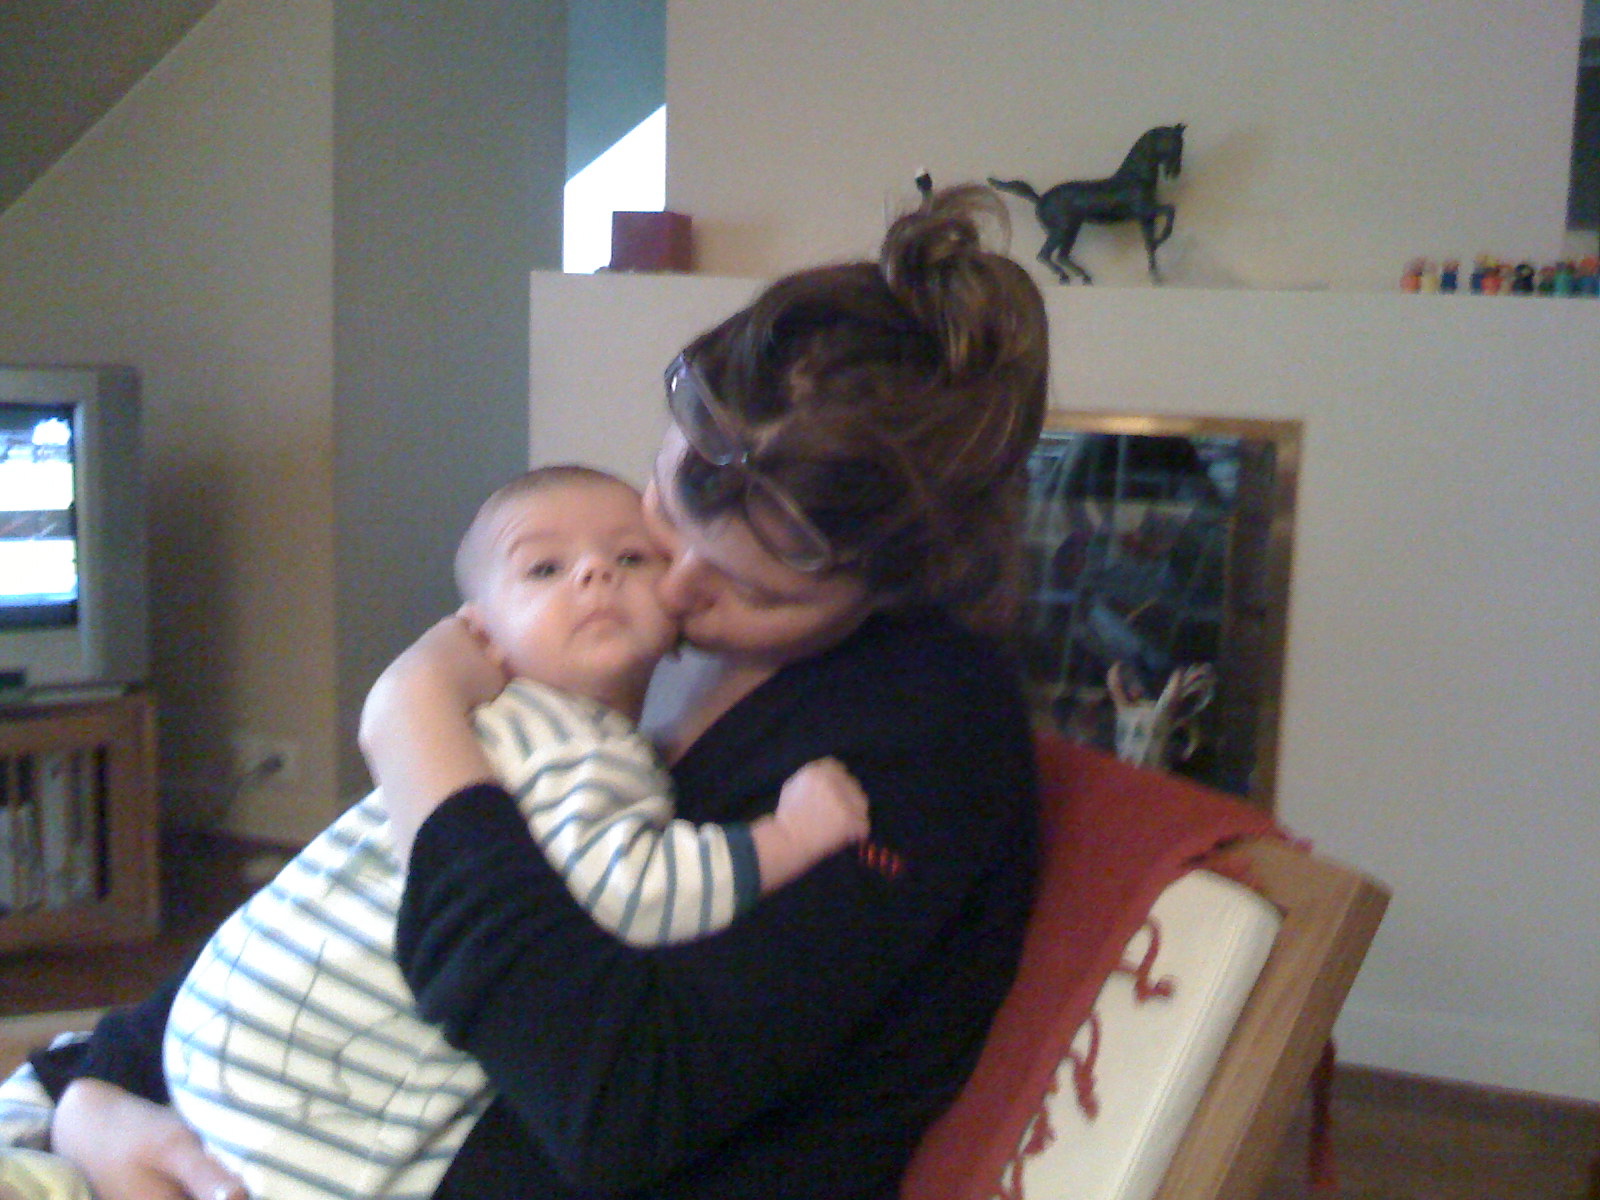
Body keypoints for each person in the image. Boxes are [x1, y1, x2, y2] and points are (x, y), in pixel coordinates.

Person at [38, 182, 1051, 1200]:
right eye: (666, 516)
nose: (674, 593)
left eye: (751, 590)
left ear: (893, 589)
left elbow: (617, 1107)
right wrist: (94, 1091)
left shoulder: (927, 738)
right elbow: (356, 896)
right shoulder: (649, 654)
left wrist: (413, 723)